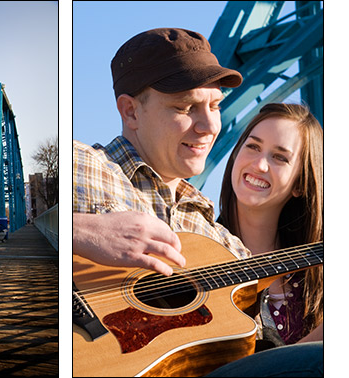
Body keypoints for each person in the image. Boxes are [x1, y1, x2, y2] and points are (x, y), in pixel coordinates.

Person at [72, 28, 322, 376]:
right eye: (186, 107)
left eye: (216, 106)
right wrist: (79, 230)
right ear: (130, 112)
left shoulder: (220, 240)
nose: (208, 125)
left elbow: (268, 357)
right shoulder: (78, 163)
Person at [217, 103, 323, 348]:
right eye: (253, 146)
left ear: (300, 184)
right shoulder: (195, 253)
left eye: (279, 157)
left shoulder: (320, 274)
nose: (259, 165)